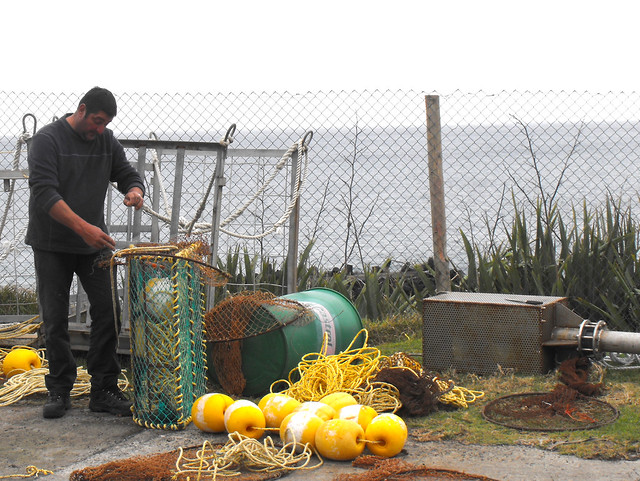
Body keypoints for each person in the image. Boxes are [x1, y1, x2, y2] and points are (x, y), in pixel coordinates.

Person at [26, 87, 145, 419]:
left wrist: (135, 190)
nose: (100, 129)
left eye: (105, 123)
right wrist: (85, 229)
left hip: (93, 246)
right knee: (55, 318)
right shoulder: (47, 140)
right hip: (51, 244)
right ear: (81, 110)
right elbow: (44, 193)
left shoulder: (106, 141)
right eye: (96, 121)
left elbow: (127, 174)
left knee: (109, 310)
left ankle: (104, 389)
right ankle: (60, 390)